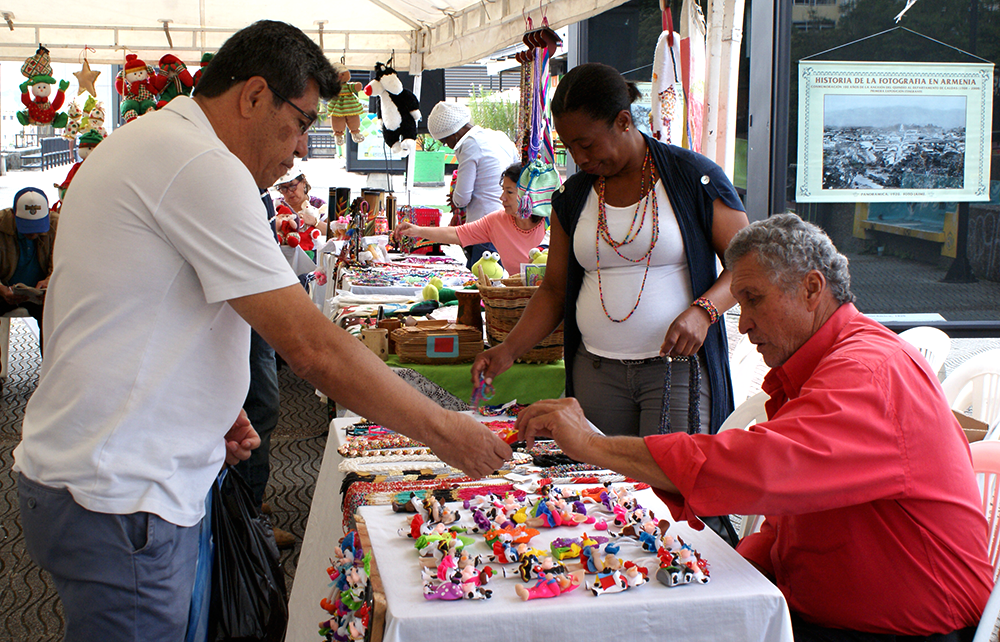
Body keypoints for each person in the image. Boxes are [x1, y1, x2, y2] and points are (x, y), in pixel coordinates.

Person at [13, 20, 510, 642]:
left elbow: (133, 307)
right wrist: (444, 430)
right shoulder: (198, 163)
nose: (304, 147)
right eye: (301, 121)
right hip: (122, 496)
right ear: (252, 96)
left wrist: (208, 406)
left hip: (115, 478)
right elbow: (311, 348)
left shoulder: (162, 142)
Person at [516, 214, 993, 640]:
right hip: (818, 606)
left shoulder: (869, 369)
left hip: (912, 627)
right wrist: (725, 576)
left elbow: (763, 469)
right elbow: (789, 519)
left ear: (811, 289)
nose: (742, 325)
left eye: (754, 300)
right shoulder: (831, 358)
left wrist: (591, 445)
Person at [472, 63, 750, 438]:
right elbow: (554, 289)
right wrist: (507, 350)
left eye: (586, 144)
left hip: (676, 370)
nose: (579, 158)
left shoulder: (692, 176)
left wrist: (704, 312)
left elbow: (748, 264)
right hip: (596, 372)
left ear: (623, 121)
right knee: (602, 486)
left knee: (671, 482)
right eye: (569, 146)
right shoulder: (573, 196)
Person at [392, 162, 547, 273]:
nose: (502, 198)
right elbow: (458, 233)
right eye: (502, 191)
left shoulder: (550, 223)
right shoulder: (496, 221)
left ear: (528, 194)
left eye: (509, 192)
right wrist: (417, 230)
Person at [426, 100, 518, 269]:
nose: (449, 146)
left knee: (480, 285)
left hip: (484, 227)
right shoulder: (499, 136)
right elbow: (516, 174)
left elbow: (462, 198)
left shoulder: (469, 145)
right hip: (508, 224)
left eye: (446, 142)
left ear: (453, 134)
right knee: (497, 280)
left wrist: (454, 197)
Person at [0, 187, 57, 345]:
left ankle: (50, 366)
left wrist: (49, 280)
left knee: (57, 315)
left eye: (37, 229)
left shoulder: (56, 224)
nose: (32, 234)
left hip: (40, 294)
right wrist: (2, 289)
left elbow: (64, 262)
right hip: (4, 288)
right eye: (26, 228)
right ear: (13, 215)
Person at [274, 162, 328, 236]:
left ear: (303, 183)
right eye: (283, 188)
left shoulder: (318, 204)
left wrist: (314, 222)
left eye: (292, 186)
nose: (289, 192)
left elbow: (333, 232)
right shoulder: (275, 205)